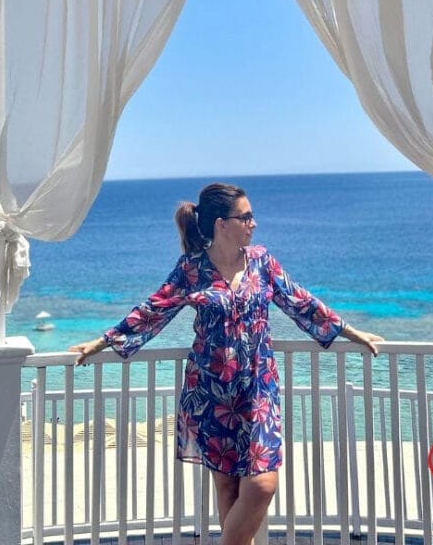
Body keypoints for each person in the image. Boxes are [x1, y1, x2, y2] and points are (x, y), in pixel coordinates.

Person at [70, 182, 383, 545]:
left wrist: (351, 332)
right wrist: (102, 342)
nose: (254, 223)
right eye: (246, 217)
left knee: (262, 485)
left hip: (258, 390)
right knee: (228, 487)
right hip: (210, 391)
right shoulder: (192, 269)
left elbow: (301, 302)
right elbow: (153, 310)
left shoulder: (261, 261)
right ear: (222, 224)